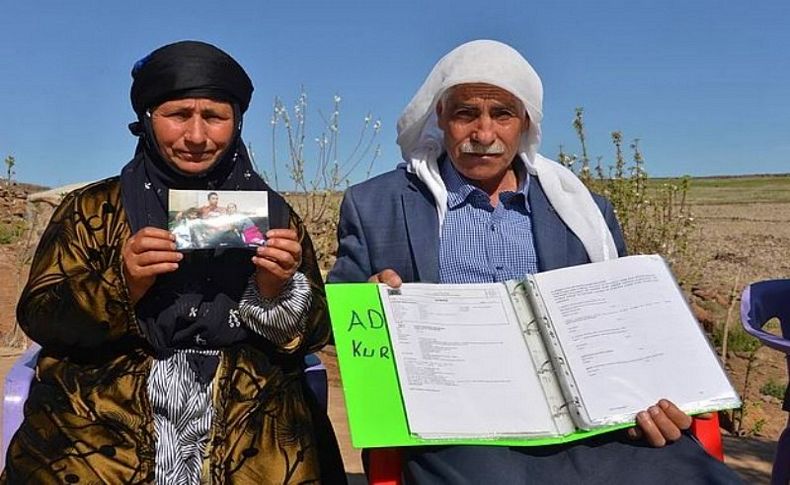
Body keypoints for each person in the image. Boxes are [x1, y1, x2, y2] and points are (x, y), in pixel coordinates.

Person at [328, 40, 741, 484]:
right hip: (462, 430)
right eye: (466, 113)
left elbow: (627, 332)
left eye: (502, 114)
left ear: (525, 123)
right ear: (441, 118)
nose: (483, 134)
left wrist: (659, 398)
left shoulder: (583, 211)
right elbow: (338, 317)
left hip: (595, 427)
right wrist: (370, 306)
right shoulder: (378, 205)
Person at [4, 41, 346, 484]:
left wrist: (274, 291)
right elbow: (40, 316)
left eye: (215, 117)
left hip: (252, 432)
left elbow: (316, 333)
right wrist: (121, 283)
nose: (198, 136)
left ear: (236, 122)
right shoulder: (91, 209)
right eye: (179, 115)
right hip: (99, 432)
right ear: (148, 118)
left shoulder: (274, 213)